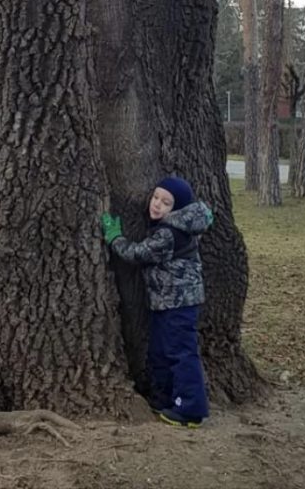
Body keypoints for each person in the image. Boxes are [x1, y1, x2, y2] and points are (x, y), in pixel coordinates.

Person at [101, 176, 213, 428]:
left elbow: (137, 253)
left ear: (177, 208)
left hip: (179, 303)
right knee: (160, 351)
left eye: (166, 202)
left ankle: (190, 409)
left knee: (181, 353)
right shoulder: (176, 224)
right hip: (165, 301)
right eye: (155, 197)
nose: (156, 204)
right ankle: (163, 398)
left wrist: (114, 237)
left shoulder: (170, 233)